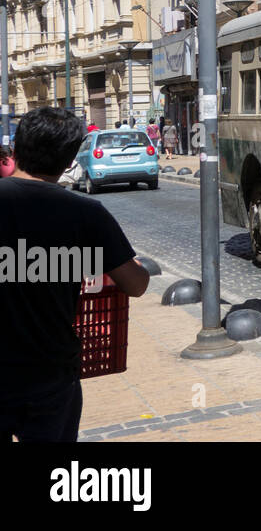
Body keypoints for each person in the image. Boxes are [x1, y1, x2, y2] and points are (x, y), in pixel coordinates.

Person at [0, 107, 149, 442]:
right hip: (50, 373)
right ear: (69, 161)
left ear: (17, 150)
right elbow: (136, 285)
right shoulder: (85, 213)